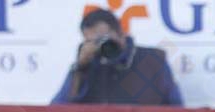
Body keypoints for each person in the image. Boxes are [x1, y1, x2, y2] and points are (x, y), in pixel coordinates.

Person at [51, 9, 182, 106]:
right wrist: (80, 68)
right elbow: (57, 110)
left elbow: (176, 109)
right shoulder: (87, 66)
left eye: (104, 39)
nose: (101, 45)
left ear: (121, 33)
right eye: (93, 42)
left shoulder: (153, 60)